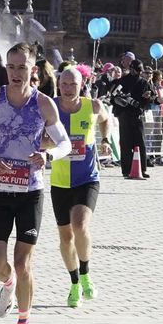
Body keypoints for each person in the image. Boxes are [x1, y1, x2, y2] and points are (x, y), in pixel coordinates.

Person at [0, 42, 71, 324]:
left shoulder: (44, 105)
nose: (15, 73)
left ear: (33, 70)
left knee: (24, 262)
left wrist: (48, 156)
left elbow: (64, 143)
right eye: (11, 67)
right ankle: (8, 285)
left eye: (21, 67)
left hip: (30, 192)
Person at [52, 65, 109, 309]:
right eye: (63, 84)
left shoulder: (92, 106)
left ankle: (85, 273)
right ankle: (75, 282)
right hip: (59, 181)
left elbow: (107, 121)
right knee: (65, 238)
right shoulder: (50, 106)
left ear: (81, 85)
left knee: (80, 225)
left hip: (87, 178)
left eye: (72, 84)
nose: (67, 89)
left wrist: (105, 139)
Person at [107, 53, 151, 178]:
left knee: (140, 143)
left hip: (137, 115)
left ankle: (142, 168)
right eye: (136, 70)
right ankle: (126, 169)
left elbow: (148, 98)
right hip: (124, 114)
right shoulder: (123, 81)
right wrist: (120, 100)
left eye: (139, 71)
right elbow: (113, 96)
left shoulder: (144, 83)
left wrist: (146, 99)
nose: (137, 73)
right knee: (126, 143)